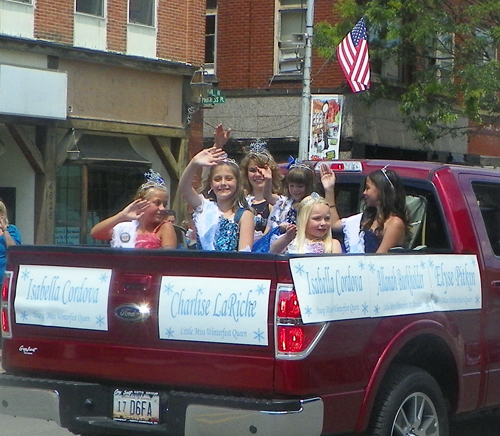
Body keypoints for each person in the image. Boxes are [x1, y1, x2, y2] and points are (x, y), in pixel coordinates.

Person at [178, 124, 254, 251]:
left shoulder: (244, 215)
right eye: (217, 179)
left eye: (229, 178)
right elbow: (184, 187)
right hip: (202, 268)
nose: (223, 183)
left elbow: (245, 254)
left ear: (237, 182)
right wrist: (194, 163)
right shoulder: (204, 207)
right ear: (211, 184)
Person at [320, 164, 408, 253]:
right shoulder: (367, 217)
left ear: (381, 190)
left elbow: (379, 259)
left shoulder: (395, 223)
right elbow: (334, 223)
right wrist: (329, 189)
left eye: (367, 188)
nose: (364, 192)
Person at [90, 170, 177, 249]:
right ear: (140, 202)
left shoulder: (165, 227)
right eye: (157, 203)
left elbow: (168, 260)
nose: (162, 208)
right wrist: (121, 216)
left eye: (165, 204)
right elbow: (96, 233)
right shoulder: (126, 228)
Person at [262, 160, 316, 250]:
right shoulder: (284, 202)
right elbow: (267, 196)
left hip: (301, 245)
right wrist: (268, 180)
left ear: (308, 186)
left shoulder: (313, 205)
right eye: (292, 186)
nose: (295, 190)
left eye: (300, 186)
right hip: (279, 245)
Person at [239, 140, 283, 243]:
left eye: (263, 169)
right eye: (252, 170)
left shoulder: (279, 203)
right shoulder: (241, 202)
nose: (258, 174)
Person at [270, 193, 342, 254]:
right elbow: (273, 252)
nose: (323, 223)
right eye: (317, 218)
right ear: (304, 220)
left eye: (327, 218)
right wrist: (287, 238)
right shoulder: (291, 241)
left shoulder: (333, 244)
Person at [0, 199, 21, 280]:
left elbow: (14, 250)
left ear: (1, 215)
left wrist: (4, 230)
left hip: (4, 278)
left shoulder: (12, 230)